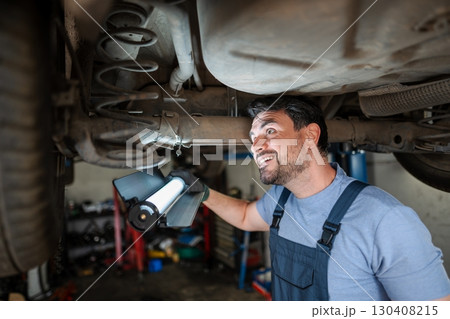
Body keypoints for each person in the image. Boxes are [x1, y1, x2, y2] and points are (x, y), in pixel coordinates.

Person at [171, 96, 450, 301]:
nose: (256, 146)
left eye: (269, 131)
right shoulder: (281, 198)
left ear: (310, 136)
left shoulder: (384, 219)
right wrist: (201, 191)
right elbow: (245, 216)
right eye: (253, 137)